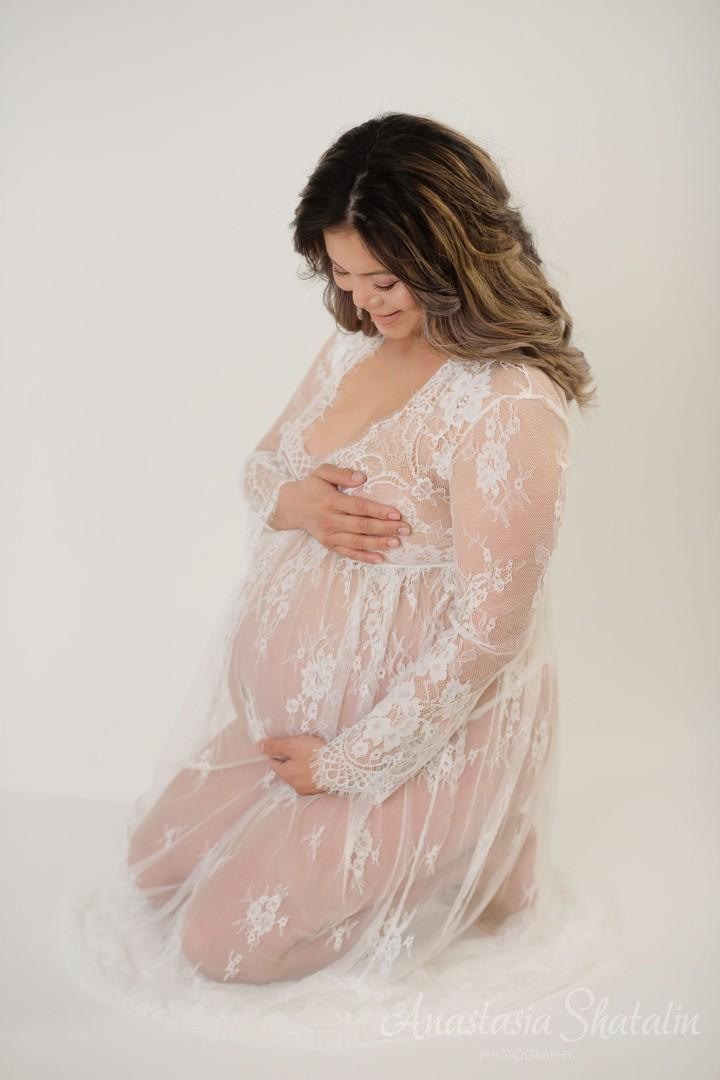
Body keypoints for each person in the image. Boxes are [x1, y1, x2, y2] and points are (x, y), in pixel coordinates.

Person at [63, 112, 602, 1032]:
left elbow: (492, 630)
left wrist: (351, 762)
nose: (362, 303)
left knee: (224, 947)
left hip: (414, 734)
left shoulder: (509, 402)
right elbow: (262, 466)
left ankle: (466, 844)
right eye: (342, 278)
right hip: (289, 722)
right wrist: (297, 503)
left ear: (453, 253)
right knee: (152, 871)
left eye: (383, 280)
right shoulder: (355, 344)